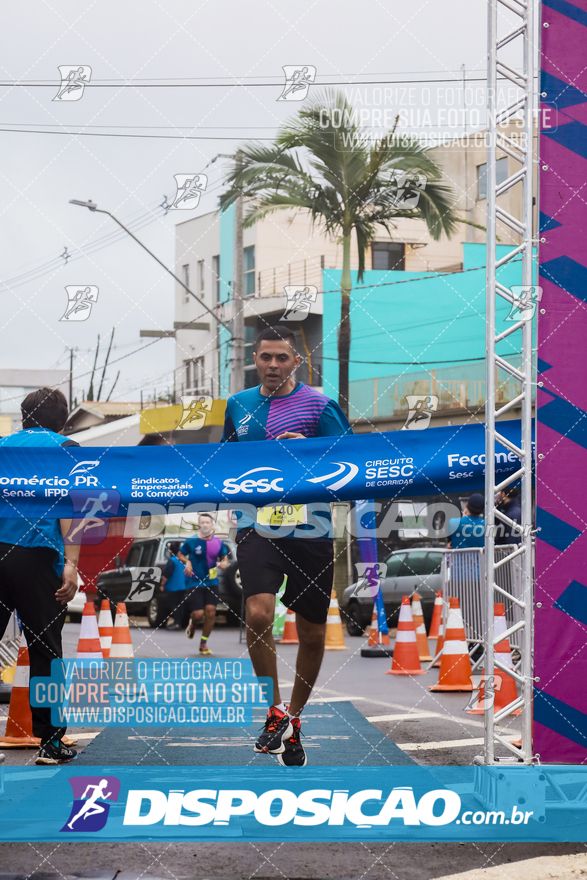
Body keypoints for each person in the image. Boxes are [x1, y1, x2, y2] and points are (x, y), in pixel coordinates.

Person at [222, 325, 353, 767]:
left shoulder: (318, 403)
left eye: (282, 357)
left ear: (296, 361)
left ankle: (295, 718)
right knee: (258, 612)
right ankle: (275, 712)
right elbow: (224, 461)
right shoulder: (238, 405)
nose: (273, 365)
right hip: (256, 523)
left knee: (313, 632)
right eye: (265, 358)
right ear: (254, 360)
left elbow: (351, 460)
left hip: (310, 525)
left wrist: (313, 449)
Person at [0, 388, 80, 765]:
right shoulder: (66, 447)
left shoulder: (3, 445)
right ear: (62, 418)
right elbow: (74, 506)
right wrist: (72, 563)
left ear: (24, 415)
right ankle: (50, 743)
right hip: (38, 556)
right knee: (46, 652)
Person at [177, 514, 229, 654]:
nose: (205, 525)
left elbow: (225, 558)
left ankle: (203, 643)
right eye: (202, 522)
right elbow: (180, 554)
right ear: (199, 525)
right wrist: (187, 562)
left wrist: (224, 563)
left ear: (212, 525)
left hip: (212, 581)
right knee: (199, 614)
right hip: (194, 581)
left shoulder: (218, 542)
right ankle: (193, 623)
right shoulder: (192, 541)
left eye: (208, 522)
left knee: (211, 612)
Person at [159, 541, 186, 629]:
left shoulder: (172, 561)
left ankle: (177, 623)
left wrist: (162, 584)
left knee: (173, 605)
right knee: (180, 605)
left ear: (171, 551)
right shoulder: (183, 560)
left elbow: (167, 574)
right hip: (183, 586)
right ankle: (180, 623)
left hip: (173, 587)